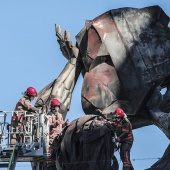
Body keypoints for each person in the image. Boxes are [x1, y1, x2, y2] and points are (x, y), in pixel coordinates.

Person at [46, 98, 65, 168]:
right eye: (56, 107)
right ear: (53, 107)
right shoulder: (49, 115)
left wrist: (65, 124)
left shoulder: (60, 115)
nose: (58, 108)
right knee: (52, 147)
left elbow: (62, 124)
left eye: (58, 107)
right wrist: (55, 123)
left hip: (60, 134)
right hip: (52, 135)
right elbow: (48, 126)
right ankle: (50, 161)